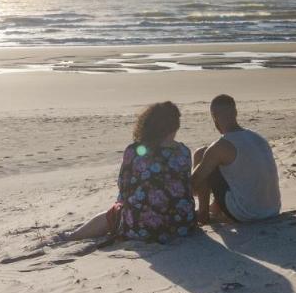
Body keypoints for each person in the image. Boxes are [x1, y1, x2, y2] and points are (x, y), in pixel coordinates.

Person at [59, 101, 196, 243]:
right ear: (175, 126)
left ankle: (73, 236)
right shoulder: (184, 151)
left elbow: (124, 187)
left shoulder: (135, 150)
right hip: (183, 224)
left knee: (114, 212)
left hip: (144, 227)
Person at [191, 94, 281, 224]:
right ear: (235, 113)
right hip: (272, 209)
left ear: (214, 116)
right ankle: (216, 208)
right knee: (228, 167)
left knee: (201, 154)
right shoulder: (258, 138)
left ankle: (203, 213)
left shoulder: (221, 145)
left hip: (247, 213)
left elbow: (194, 183)